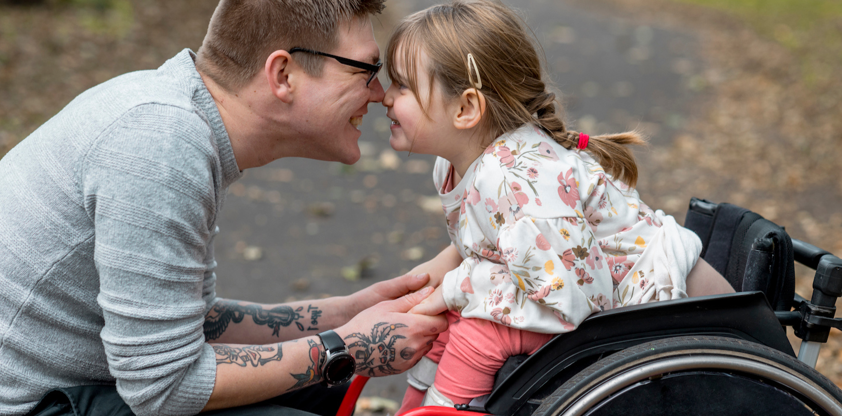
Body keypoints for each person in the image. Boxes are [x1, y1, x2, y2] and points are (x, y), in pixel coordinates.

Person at [0, 1, 448, 415]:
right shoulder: (161, 145)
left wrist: (344, 314)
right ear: (283, 75)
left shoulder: (182, 119)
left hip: (86, 384)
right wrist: (348, 346)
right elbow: (163, 388)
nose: (380, 94)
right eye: (366, 70)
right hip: (31, 404)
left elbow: (192, 321)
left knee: (318, 384)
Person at [377, 1, 736, 411]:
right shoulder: (458, 166)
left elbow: (574, 302)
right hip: (590, 297)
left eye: (402, 85)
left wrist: (458, 286)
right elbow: (481, 243)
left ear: (466, 109)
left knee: (476, 330)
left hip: (670, 316)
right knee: (443, 320)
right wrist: (416, 290)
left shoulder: (516, 181)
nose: (384, 97)